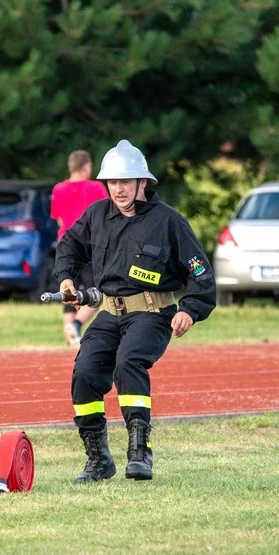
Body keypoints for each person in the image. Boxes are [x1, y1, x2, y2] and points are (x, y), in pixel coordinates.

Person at [54, 139, 216, 483]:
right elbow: (69, 245)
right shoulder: (97, 215)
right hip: (109, 314)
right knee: (84, 372)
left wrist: (190, 310)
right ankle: (98, 460)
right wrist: (66, 278)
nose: (119, 189)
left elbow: (200, 273)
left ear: (143, 183)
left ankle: (140, 453)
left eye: (126, 181)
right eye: (113, 182)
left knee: (128, 363)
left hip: (153, 314)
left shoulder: (169, 222)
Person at [51, 150, 108, 346]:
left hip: (66, 246)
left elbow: (59, 220)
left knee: (69, 292)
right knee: (99, 293)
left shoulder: (58, 189)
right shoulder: (96, 187)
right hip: (90, 246)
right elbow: (105, 217)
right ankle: (75, 324)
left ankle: (70, 341)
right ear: (85, 167)